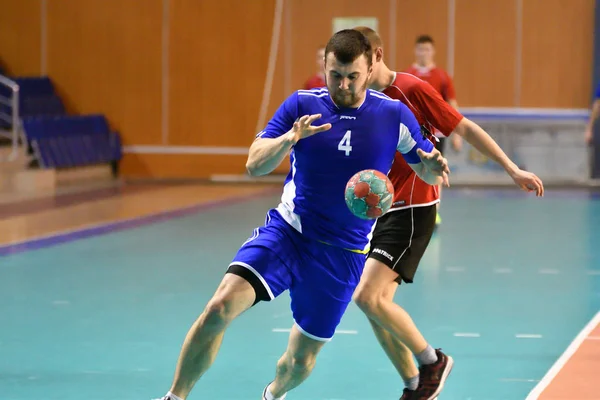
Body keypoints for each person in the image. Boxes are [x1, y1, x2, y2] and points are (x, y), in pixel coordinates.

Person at [153, 29, 450, 400]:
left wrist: (432, 166)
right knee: (219, 306)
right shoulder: (300, 105)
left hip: (343, 254)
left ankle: (274, 394)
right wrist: (289, 139)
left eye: (352, 76)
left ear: (371, 66)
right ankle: (175, 396)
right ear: (324, 67)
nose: (343, 85)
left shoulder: (392, 115)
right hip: (289, 233)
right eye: (335, 75)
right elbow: (254, 165)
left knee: (298, 362)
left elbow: (423, 166)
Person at [352, 26, 545, 400]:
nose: (350, 80)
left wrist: (511, 168)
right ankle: (415, 386)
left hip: (413, 206)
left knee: (367, 297)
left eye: (358, 68)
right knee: (376, 308)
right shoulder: (359, 98)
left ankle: (432, 362)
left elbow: (464, 126)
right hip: (381, 209)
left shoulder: (411, 90)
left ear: (376, 56)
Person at [404, 35, 462, 225]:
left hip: (435, 134)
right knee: (411, 169)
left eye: (427, 49)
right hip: (411, 133)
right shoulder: (408, 74)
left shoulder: (442, 77)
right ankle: (408, 208)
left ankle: (434, 211)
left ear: (433, 51)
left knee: (436, 169)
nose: (424, 53)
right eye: (420, 49)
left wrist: (456, 134)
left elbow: (451, 105)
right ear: (415, 50)